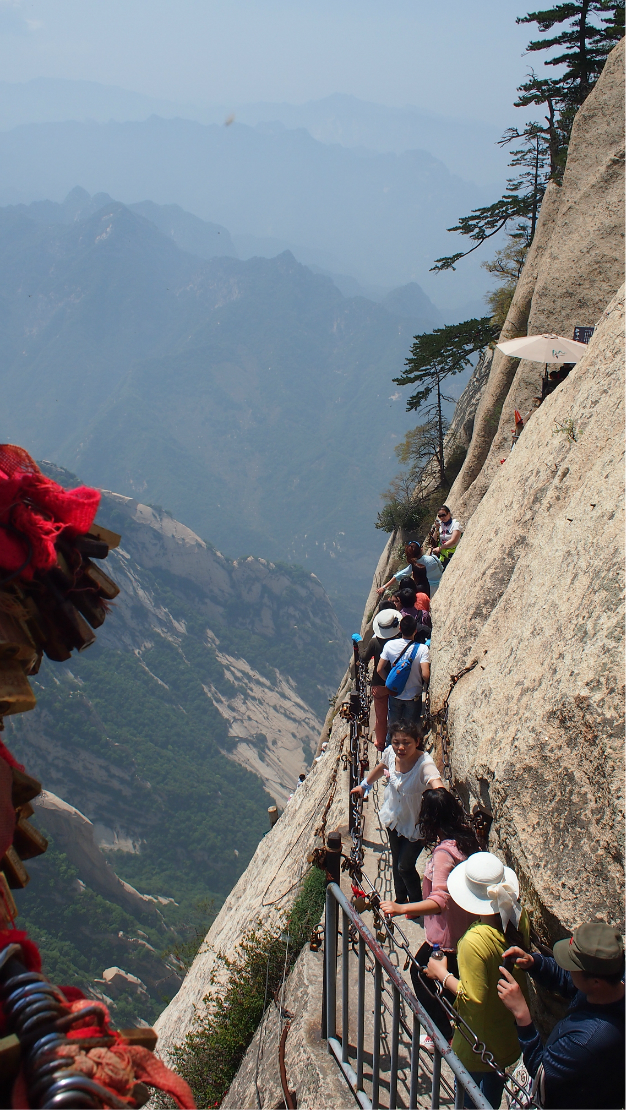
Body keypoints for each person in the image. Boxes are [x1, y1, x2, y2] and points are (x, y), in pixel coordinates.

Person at [425, 851, 531, 1109]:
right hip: (506, 1034)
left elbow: (473, 998)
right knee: (492, 1092)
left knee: (469, 1097)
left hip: (478, 1042)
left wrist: (442, 974)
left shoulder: (474, 941)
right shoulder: (518, 916)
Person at [380, 788, 480, 1042]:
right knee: (450, 978)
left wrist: (402, 908)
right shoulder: (467, 840)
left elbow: (439, 901)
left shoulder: (444, 854)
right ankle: (458, 1025)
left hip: (446, 934)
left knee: (420, 974)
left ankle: (444, 1034)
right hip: (466, 925)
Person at [497, 921, 625, 1109]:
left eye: (573, 965)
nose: (569, 969)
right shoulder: (610, 980)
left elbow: (542, 1073)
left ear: (596, 981)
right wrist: (534, 963)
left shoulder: (587, 1041)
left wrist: (522, 1014)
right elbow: (571, 980)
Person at [351, 722, 443, 904]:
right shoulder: (391, 753)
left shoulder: (424, 764)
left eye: (406, 742)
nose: (401, 747)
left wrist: (440, 798)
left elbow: (436, 782)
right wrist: (365, 785)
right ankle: (400, 899)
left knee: (404, 866)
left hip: (416, 824)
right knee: (396, 860)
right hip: (394, 817)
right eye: (396, 742)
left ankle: (416, 903)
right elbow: (382, 766)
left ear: (417, 742)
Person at [377, 614, 429, 732]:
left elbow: (379, 669)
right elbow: (425, 674)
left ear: (400, 629)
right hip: (413, 695)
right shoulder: (422, 649)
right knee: (410, 731)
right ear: (415, 631)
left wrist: (390, 681)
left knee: (393, 729)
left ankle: (390, 748)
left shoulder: (389, 645)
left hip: (395, 693)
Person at [361, 606, 401, 752]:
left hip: (379, 683)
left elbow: (364, 658)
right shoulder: (399, 641)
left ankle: (380, 742)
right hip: (398, 683)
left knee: (380, 715)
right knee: (396, 713)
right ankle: (396, 740)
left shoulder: (374, 642)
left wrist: (360, 644)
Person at [377, 540, 443, 598]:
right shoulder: (433, 558)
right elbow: (441, 569)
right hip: (441, 582)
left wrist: (384, 587)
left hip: (429, 591)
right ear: (421, 549)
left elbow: (397, 576)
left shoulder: (413, 566)